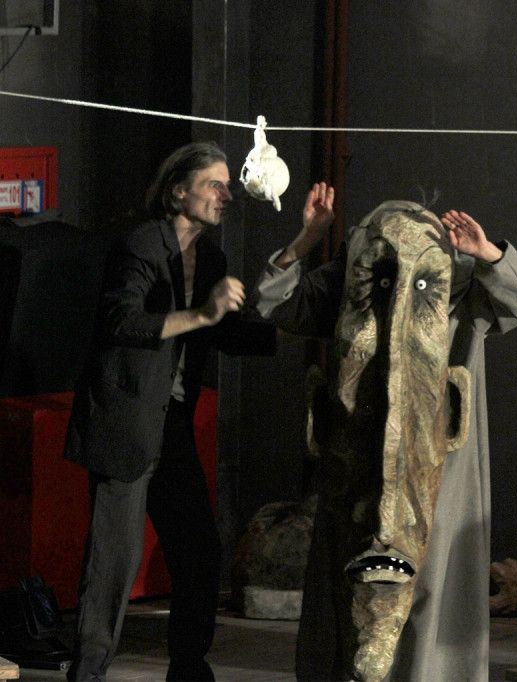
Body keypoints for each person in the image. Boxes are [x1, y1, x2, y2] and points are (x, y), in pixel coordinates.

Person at [62, 141, 333, 681]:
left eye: (229, 185)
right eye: (215, 184)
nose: (226, 194)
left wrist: (304, 262)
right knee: (113, 564)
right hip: (126, 425)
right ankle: (87, 674)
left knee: (199, 554)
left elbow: (228, 332)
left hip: (173, 430)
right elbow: (122, 323)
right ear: (178, 191)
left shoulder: (211, 259)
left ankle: (189, 670)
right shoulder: (142, 245)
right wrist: (202, 313)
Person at [254, 197, 517, 680]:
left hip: (437, 475)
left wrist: (487, 253)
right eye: (385, 277)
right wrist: (307, 240)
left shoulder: (459, 291)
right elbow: (276, 302)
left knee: (430, 587)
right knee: (350, 590)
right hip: (354, 473)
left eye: (420, 280)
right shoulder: (350, 288)